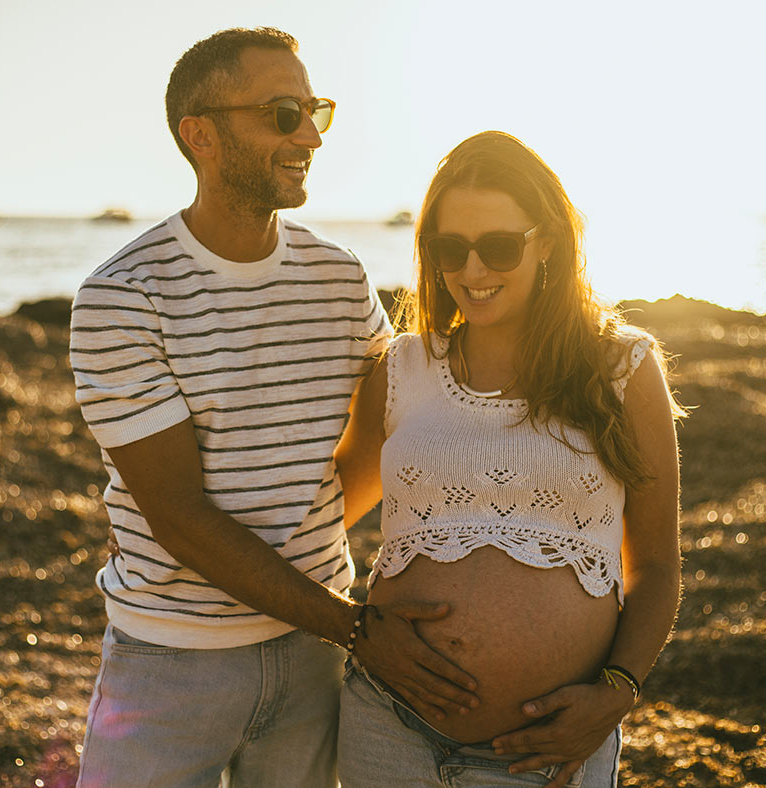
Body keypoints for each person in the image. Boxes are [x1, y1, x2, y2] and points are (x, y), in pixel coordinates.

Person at [68, 27, 478, 788]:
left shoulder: (339, 276)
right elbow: (178, 516)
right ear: (201, 136)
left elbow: (378, 439)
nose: (311, 135)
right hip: (169, 664)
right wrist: (357, 627)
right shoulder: (122, 298)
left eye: (315, 109)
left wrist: (310, 546)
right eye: (283, 113)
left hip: (311, 659)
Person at [334, 131, 684, 787]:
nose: (471, 270)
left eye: (496, 246)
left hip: (543, 750)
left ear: (545, 241)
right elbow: (322, 515)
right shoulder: (401, 369)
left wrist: (618, 688)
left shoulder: (623, 368)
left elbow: (658, 563)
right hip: (385, 727)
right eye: (449, 249)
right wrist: (351, 627)